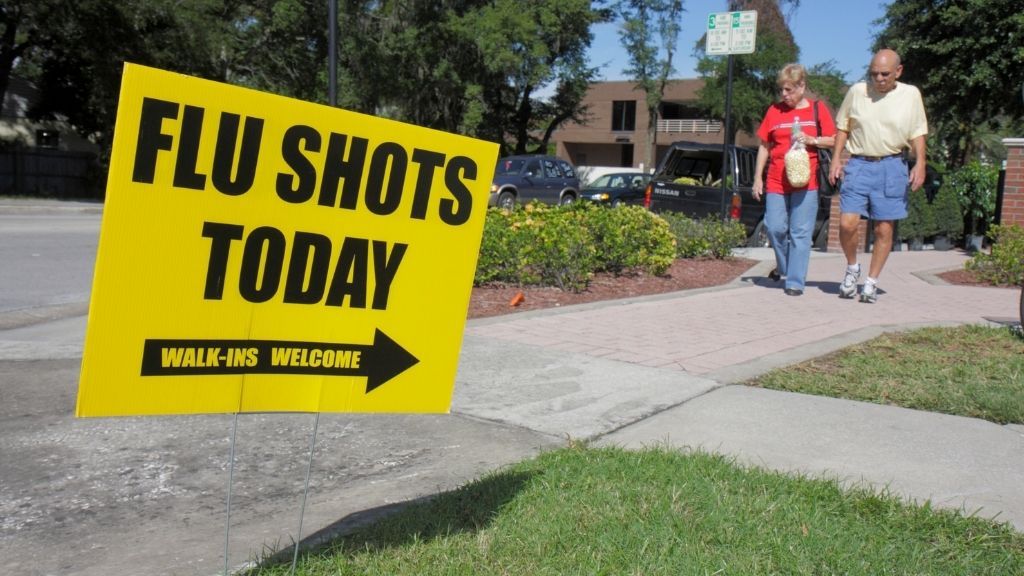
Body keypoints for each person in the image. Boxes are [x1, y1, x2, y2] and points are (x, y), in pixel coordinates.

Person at [829, 48, 928, 303]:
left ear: (898, 71)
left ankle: (871, 282)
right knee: (847, 223)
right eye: (874, 74)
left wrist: (920, 163)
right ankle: (853, 268)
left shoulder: (910, 95)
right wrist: (836, 159)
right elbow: (843, 127)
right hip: (859, 164)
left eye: (885, 74)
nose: (879, 79)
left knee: (884, 228)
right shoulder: (857, 92)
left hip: (892, 165)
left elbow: (918, 131)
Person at [752, 63, 836, 296]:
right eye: (782, 90)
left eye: (789, 90)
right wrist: (758, 178)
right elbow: (764, 146)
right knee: (774, 227)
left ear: (802, 86)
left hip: (806, 181)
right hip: (777, 179)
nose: (784, 95)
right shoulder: (774, 111)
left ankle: (795, 282)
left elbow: (834, 139)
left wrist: (812, 139)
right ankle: (785, 266)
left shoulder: (817, 110)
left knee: (800, 231)